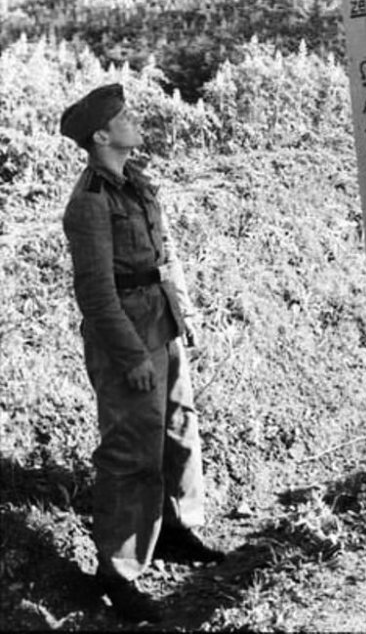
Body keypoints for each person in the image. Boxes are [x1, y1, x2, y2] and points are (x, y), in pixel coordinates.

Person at [60, 83, 224, 623]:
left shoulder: (138, 184)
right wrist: (130, 356)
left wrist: (186, 316)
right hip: (125, 333)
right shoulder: (89, 204)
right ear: (102, 135)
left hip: (161, 319)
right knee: (131, 448)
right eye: (124, 117)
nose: (135, 121)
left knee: (179, 425)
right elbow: (97, 294)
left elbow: (165, 254)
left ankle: (177, 531)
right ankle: (118, 572)